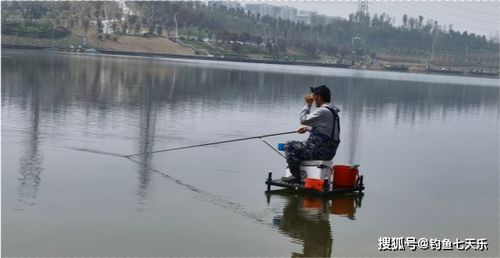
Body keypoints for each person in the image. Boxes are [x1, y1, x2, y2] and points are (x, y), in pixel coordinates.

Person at [282, 85, 340, 183]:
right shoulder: (333, 111)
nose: (312, 98)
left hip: (319, 151)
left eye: (314, 96)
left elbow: (303, 119)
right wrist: (308, 129)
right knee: (299, 146)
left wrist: (308, 105)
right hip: (329, 152)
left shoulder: (323, 111)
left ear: (318, 97)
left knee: (289, 146)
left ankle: (296, 177)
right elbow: (326, 130)